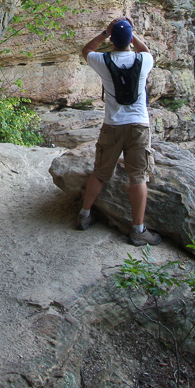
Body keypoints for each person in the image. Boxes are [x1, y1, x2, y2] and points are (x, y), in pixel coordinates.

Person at [77, 16, 161, 246]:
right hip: (138, 126)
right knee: (138, 177)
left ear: (112, 41)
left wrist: (106, 32)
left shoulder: (102, 60)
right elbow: (146, 50)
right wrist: (130, 32)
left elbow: (86, 50)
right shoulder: (144, 60)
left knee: (100, 173)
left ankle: (84, 215)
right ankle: (138, 230)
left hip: (112, 125)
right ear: (130, 40)